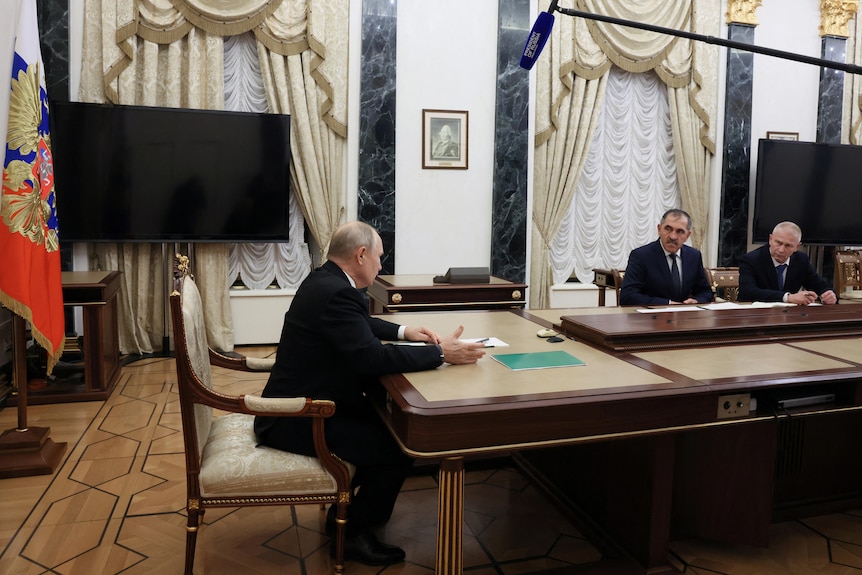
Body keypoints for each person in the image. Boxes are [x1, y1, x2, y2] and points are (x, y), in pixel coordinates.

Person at [254, 221, 486, 566]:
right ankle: (353, 535)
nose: (381, 265)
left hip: (310, 401)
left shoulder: (326, 280)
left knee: (390, 427)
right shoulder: (337, 292)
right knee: (396, 444)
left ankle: (353, 514)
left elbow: (357, 323)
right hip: (300, 416)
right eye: (379, 257)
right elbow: (371, 357)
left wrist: (405, 331)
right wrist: (441, 354)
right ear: (360, 255)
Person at [619, 208, 714, 306]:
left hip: (684, 318)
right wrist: (666, 304)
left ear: (687, 236)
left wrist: (696, 301)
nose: (673, 236)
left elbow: (706, 292)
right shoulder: (641, 256)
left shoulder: (694, 256)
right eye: (668, 229)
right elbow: (628, 296)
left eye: (680, 231)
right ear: (659, 229)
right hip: (651, 318)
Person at [738, 221, 837, 305]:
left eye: (788, 246)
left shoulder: (801, 260)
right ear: (770, 239)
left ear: (797, 247)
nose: (781, 250)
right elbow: (747, 292)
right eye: (778, 243)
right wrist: (787, 297)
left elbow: (819, 285)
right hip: (757, 316)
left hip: (789, 316)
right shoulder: (751, 260)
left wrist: (828, 294)